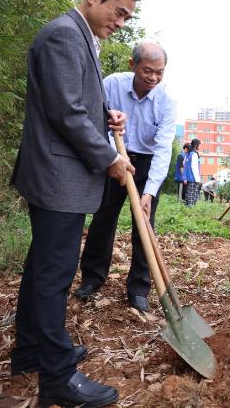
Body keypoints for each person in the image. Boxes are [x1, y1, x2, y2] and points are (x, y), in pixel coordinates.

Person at [9, 0, 139, 407]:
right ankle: (58, 378)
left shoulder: (80, 36)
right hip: (56, 177)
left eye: (128, 17)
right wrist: (109, 158)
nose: (121, 22)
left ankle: (30, 350)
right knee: (55, 274)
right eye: (118, 12)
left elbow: (75, 103)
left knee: (43, 266)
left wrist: (107, 116)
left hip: (56, 174)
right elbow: (65, 112)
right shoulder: (64, 35)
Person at [74, 42, 177, 312]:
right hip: (113, 156)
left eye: (159, 72)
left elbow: (164, 149)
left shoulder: (166, 101)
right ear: (133, 65)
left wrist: (150, 191)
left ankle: (139, 288)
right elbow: (97, 124)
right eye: (147, 71)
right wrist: (113, 159)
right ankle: (92, 278)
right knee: (103, 219)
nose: (153, 78)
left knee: (144, 225)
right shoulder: (112, 85)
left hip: (146, 164)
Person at [183, 138, 202, 206]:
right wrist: (198, 179)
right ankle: (191, 210)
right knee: (193, 195)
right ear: (196, 145)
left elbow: (184, 165)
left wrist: (185, 177)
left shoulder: (188, 154)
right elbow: (194, 168)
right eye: (199, 145)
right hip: (193, 178)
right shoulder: (194, 154)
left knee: (188, 194)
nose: (199, 146)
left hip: (188, 178)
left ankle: (187, 209)